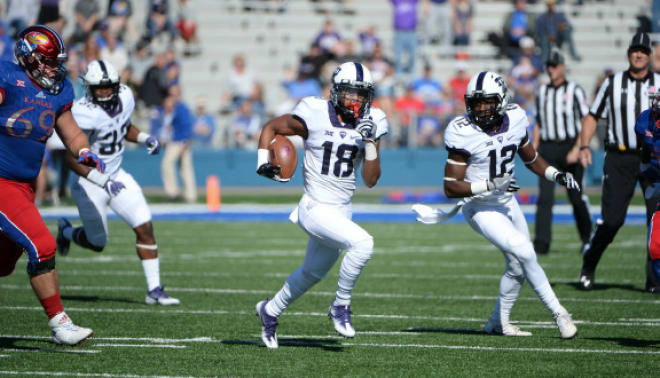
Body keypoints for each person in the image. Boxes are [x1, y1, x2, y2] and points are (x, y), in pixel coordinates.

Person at [414, 71, 578, 338]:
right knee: (524, 250)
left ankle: (497, 323)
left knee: (517, 266)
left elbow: (531, 157)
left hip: (506, 202)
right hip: (479, 206)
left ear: (501, 100)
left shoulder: (515, 118)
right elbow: (450, 187)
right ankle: (559, 313)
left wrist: (555, 174)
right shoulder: (463, 131)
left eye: (486, 102)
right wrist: (489, 185)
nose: (480, 109)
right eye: (475, 103)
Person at [254, 62, 388, 349]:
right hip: (314, 206)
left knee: (312, 273)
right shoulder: (314, 113)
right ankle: (340, 306)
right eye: (350, 94)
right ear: (336, 91)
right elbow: (271, 126)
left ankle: (270, 311)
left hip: (342, 209)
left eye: (361, 95)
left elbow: (371, 179)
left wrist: (369, 142)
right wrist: (263, 162)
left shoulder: (372, 120)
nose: (356, 101)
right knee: (363, 244)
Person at [0, 25, 105, 345]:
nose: (53, 68)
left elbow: (70, 130)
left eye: (55, 61)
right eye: (46, 61)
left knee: (3, 263)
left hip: (24, 185)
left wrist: (83, 150)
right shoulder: (7, 78)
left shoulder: (58, 90)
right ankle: (61, 324)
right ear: (27, 58)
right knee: (43, 245)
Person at [55, 60, 180, 306]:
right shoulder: (81, 112)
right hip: (88, 183)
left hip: (117, 175)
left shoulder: (124, 96)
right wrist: (102, 180)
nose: (104, 92)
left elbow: (122, 127)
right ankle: (67, 232)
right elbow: (70, 159)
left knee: (145, 226)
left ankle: (154, 290)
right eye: (98, 88)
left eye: (108, 86)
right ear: (88, 88)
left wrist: (145, 137)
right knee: (97, 243)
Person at [578, 32, 660, 293]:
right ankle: (589, 264)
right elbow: (592, 116)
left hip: (652, 159)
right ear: (629, 53)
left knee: (655, 220)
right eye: (635, 50)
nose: (639, 54)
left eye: (644, 51)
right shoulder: (612, 83)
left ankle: (654, 279)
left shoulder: (659, 82)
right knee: (612, 220)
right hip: (619, 157)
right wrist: (583, 145)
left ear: (650, 55)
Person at [532, 49, 592, 254]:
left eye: (554, 65)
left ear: (563, 67)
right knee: (545, 198)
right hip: (547, 148)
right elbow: (539, 122)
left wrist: (578, 147)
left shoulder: (575, 90)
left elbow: (586, 120)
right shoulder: (542, 91)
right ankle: (541, 244)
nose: (551, 69)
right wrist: (534, 148)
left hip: (569, 145)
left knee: (575, 196)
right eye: (548, 66)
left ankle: (587, 238)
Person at [635, 92, 660, 293]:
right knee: (656, 240)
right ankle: (655, 280)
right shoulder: (646, 119)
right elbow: (643, 148)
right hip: (654, 176)